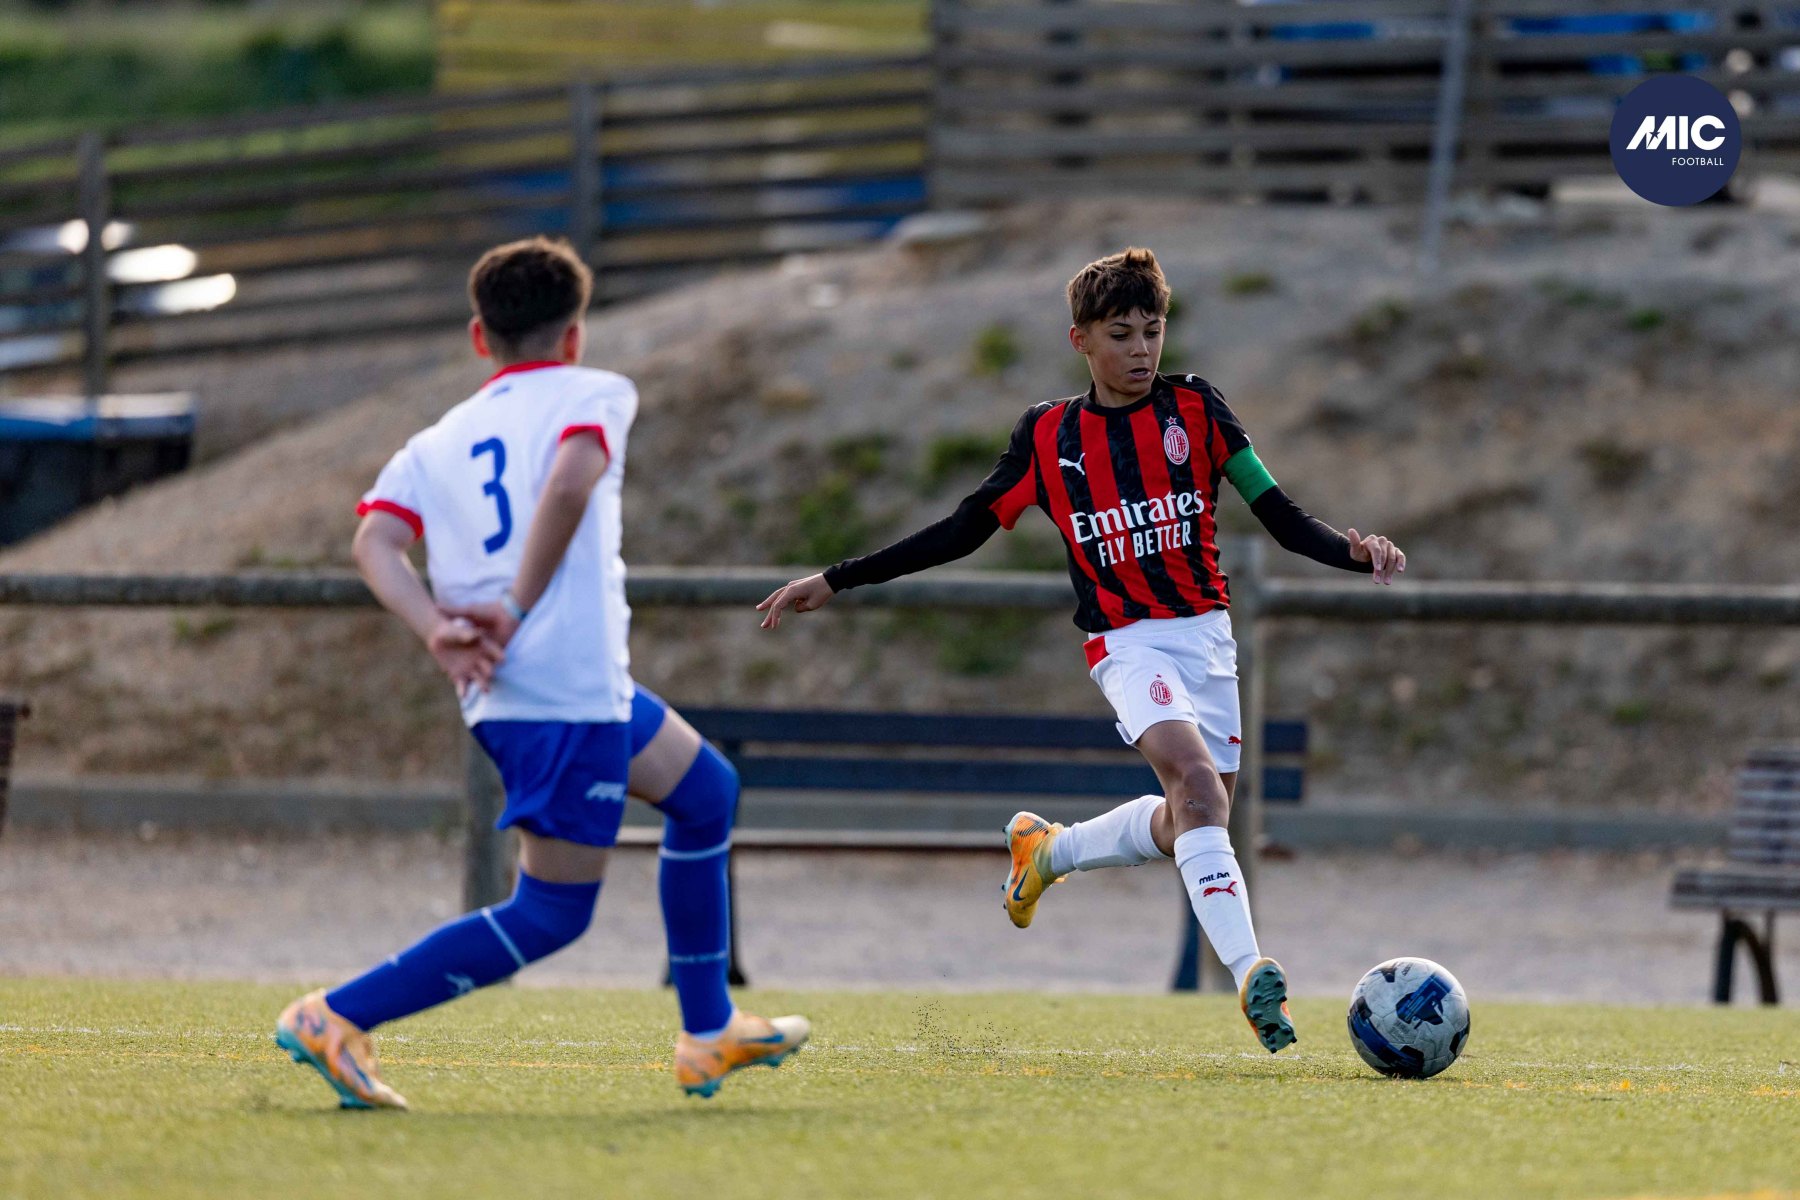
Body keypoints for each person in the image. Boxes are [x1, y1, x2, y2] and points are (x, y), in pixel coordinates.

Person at [756, 247, 1404, 1054]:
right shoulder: (1047, 436)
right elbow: (961, 530)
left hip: (1208, 638)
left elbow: (1279, 513)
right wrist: (839, 577)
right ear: (1081, 341)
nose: (1141, 350)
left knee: (1192, 816)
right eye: (1121, 334)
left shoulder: (1199, 409)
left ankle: (1048, 852)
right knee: (1196, 785)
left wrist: (1355, 553)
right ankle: (1250, 975)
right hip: (1126, 642)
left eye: (1152, 330)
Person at [275, 236, 808, 1109]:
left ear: (479, 337)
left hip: (563, 691)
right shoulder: (596, 391)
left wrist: (436, 630)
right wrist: (516, 609)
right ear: (574, 334)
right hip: (557, 693)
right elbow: (568, 485)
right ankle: (334, 1016)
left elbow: (374, 541)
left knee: (706, 790)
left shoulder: (435, 441)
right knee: (552, 914)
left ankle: (709, 1032)